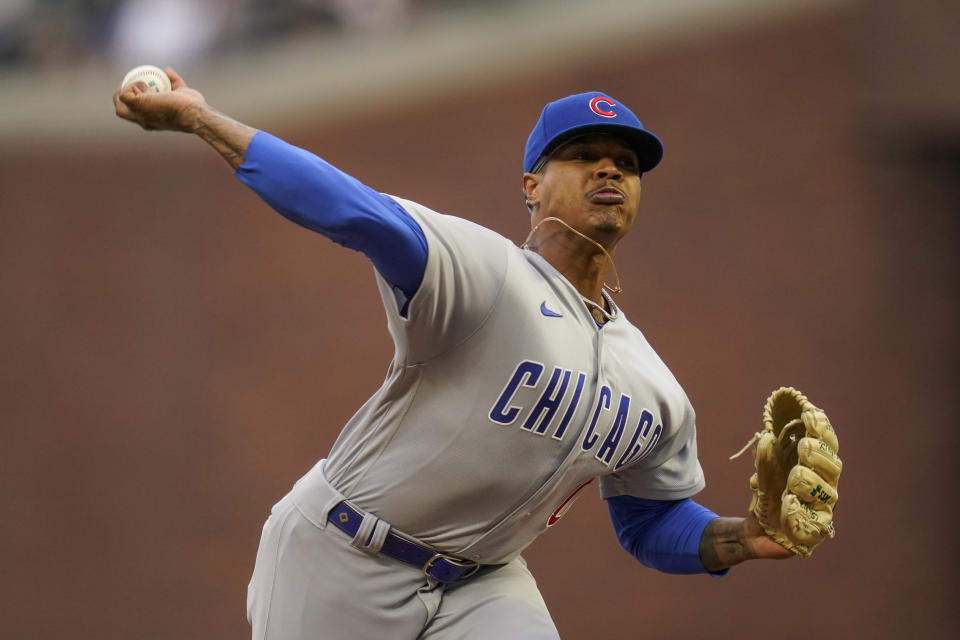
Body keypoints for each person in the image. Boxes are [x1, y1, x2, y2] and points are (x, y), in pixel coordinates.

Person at [114, 69, 802, 640]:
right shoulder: (487, 274)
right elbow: (354, 212)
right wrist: (204, 120)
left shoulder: (653, 385)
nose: (608, 170)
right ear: (531, 186)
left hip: (484, 583)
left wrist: (746, 538)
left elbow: (650, 519)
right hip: (341, 554)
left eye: (625, 163)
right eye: (582, 154)